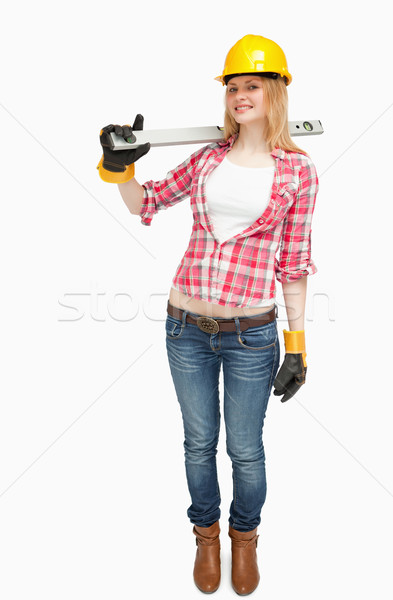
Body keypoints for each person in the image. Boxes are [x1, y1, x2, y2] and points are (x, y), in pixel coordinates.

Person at [97, 33, 319, 596]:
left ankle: (245, 538)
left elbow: (293, 264)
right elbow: (145, 201)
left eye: (252, 86)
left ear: (275, 93)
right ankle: (206, 536)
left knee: (244, 449)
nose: (240, 96)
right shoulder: (206, 158)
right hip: (185, 328)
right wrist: (117, 168)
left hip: (252, 335)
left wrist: (296, 345)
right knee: (198, 443)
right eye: (233, 87)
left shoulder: (297, 171)